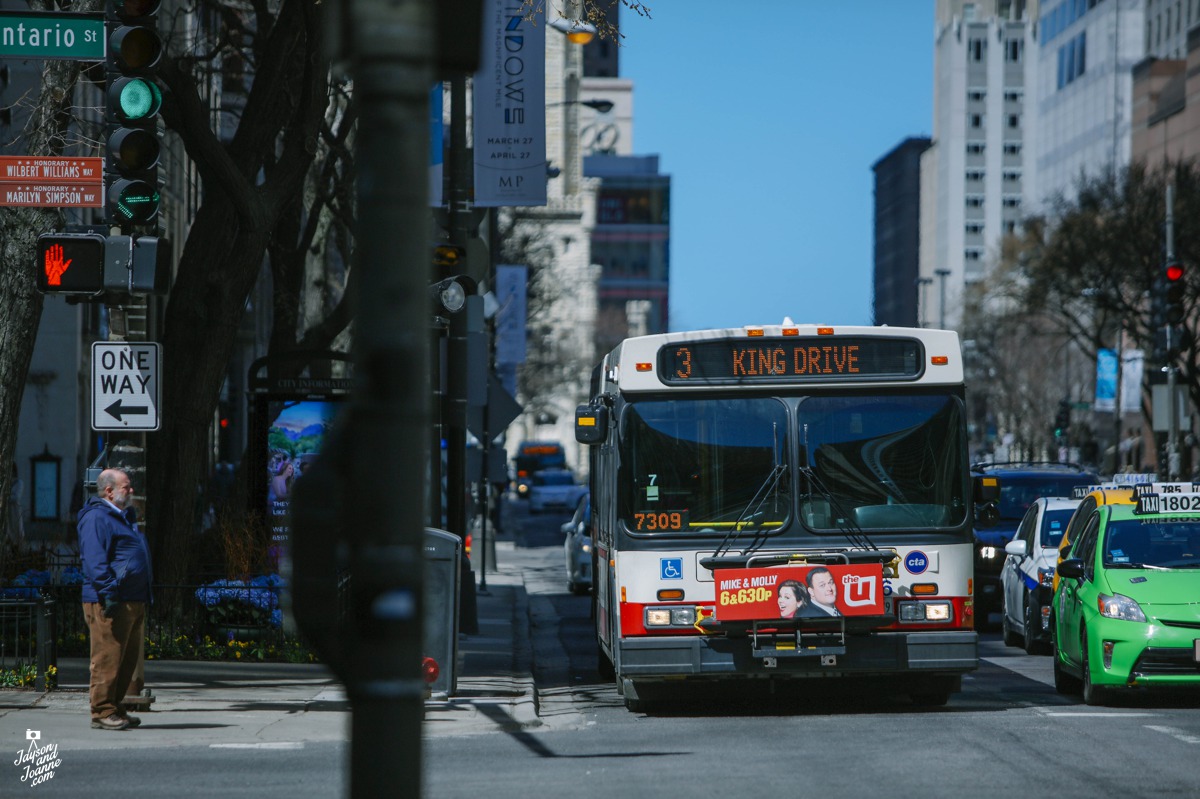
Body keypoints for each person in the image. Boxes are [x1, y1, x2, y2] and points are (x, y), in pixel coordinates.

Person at [78, 468, 153, 731]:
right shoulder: (97, 517)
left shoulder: (121, 517)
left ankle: (115, 705)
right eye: (126, 486)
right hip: (110, 600)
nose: (131, 490)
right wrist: (109, 594)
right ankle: (102, 710)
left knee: (125, 659)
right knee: (108, 657)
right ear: (108, 491)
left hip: (131, 600)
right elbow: (95, 561)